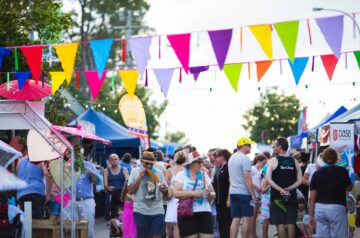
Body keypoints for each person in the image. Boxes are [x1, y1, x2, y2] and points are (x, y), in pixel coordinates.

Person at [309, 148, 353, 238]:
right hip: (337, 208)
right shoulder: (342, 171)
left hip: (319, 209)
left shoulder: (317, 174)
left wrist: (311, 216)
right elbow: (349, 187)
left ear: (323, 159)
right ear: (336, 159)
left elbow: (311, 197)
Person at [173, 151, 216, 238]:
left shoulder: (204, 175)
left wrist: (210, 195)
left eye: (201, 162)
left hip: (205, 212)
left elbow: (213, 192)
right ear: (191, 163)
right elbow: (175, 193)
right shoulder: (181, 175)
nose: (201, 164)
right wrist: (193, 193)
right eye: (198, 162)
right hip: (187, 213)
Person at [266, 137, 302, 238]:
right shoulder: (294, 161)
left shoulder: (273, 160)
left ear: (279, 147)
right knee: (291, 222)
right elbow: (299, 180)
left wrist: (280, 190)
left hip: (277, 196)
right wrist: (289, 188)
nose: (274, 148)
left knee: (280, 223)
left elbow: (268, 179)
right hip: (291, 195)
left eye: (275, 146)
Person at [127, 151, 167, 238]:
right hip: (140, 210)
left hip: (157, 210)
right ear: (141, 161)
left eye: (151, 164)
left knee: (157, 235)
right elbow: (130, 191)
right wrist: (140, 176)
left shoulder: (158, 173)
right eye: (146, 163)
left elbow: (165, 194)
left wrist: (164, 190)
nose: (149, 166)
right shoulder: (135, 171)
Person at [228, 137, 257, 238]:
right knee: (246, 218)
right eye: (249, 146)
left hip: (233, 192)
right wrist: (253, 194)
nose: (250, 148)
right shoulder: (245, 158)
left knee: (235, 219)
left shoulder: (231, 158)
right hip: (244, 193)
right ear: (243, 146)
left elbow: (231, 178)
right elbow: (247, 177)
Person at [164, 150, 186, 238]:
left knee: (174, 225)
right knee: (183, 224)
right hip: (185, 197)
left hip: (173, 199)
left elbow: (165, 185)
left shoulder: (170, 170)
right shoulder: (187, 170)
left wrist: (170, 189)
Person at [75, 160, 99, 238]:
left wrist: (92, 173)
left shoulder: (89, 165)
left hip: (86, 200)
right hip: (71, 201)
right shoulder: (66, 165)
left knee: (88, 227)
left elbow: (97, 182)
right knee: (72, 228)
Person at [212, 149, 232, 238]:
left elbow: (231, 184)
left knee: (227, 223)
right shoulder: (219, 168)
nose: (215, 159)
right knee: (220, 223)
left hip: (226, 201)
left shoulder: (228, 167)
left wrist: (229, 199)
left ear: (223, 157)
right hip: (218, 201)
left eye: (217, 157)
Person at [103, 154, 129, 218]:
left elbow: (127, 181)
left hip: (122, 194)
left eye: (115, 159)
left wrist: (124, 189)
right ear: (109, 161)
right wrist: (108, 187)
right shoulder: (106, 171)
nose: (114, 161)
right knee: (112, 215)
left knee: (124, 214)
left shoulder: (124, 169)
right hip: (112, 194)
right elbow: (105, 184)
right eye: (112, 159)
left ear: (119, 160)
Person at [250, 154, 267, 238]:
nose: (264, 165)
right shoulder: (252, 169)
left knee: (255, 216)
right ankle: (253, 234)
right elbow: (247, 180)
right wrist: (256, 188)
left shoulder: (260, 170)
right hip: (254, 195)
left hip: (259, 195)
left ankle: (253, 234)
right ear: (259, 161)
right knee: (252, 217)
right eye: (263, 163)